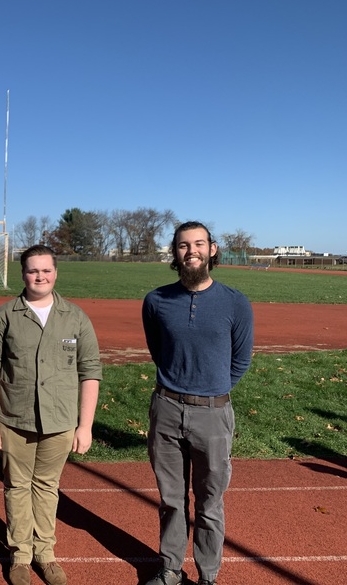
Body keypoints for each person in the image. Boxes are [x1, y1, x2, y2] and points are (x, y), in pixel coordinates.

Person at [0, 244, 102, 585]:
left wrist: (85, 425)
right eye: (33, 270)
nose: (40, 276)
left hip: (60, 422)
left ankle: (45, 553)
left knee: (47, 487)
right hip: (14, 420)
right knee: (17, 487)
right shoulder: (5, 315)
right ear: (23, 274)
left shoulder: (75, 317)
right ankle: (19, 555)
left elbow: (90, 372)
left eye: (46, 270)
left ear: (56, 273)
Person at [141, 221, 254, 585]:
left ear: (213, 249)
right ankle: (171, 569)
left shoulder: (236, 302)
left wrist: (213, 390)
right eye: (184, 245)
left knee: (209, 503)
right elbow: (159, 351)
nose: (192, 251)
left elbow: (241, 360)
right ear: (175, 253)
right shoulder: (156, 301)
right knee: (171, 500)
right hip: (167, 409)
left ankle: (208, 576)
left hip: (213, 413)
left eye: (199, 244)